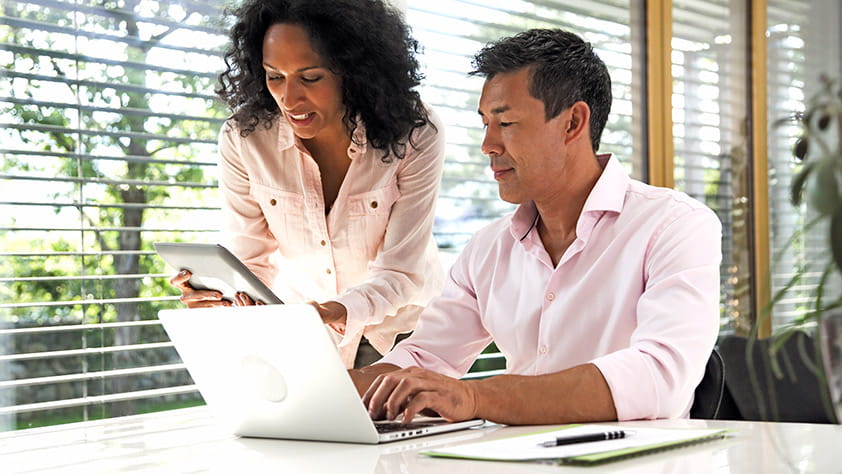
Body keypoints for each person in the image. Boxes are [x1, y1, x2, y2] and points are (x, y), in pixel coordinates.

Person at [351, 28, 722, 425]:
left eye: (506, 123)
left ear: (573, 123)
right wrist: (328, 390)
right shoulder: (487, 249)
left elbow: (659, 378)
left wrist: (474, 396)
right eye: (485, 125)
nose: (488, 146)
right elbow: (425, 358)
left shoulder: (674, 226)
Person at [170, 0, 445, 369]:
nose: (289, 98)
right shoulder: (245, 138)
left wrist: (335, 310)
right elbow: (250, 260)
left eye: (310, 77)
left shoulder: (414, 132)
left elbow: (400, 272)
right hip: (307, 334)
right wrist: (219, 293)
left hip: (401, 331)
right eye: (274, 76)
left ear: (353, 70)